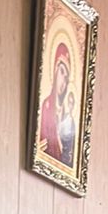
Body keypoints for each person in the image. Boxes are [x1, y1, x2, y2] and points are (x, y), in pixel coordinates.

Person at [37, 38, 72, 166]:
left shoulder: (65, 115)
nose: (64, 82)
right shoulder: (46, 107)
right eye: (62, 72)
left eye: (66, 77)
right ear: (55, 70)